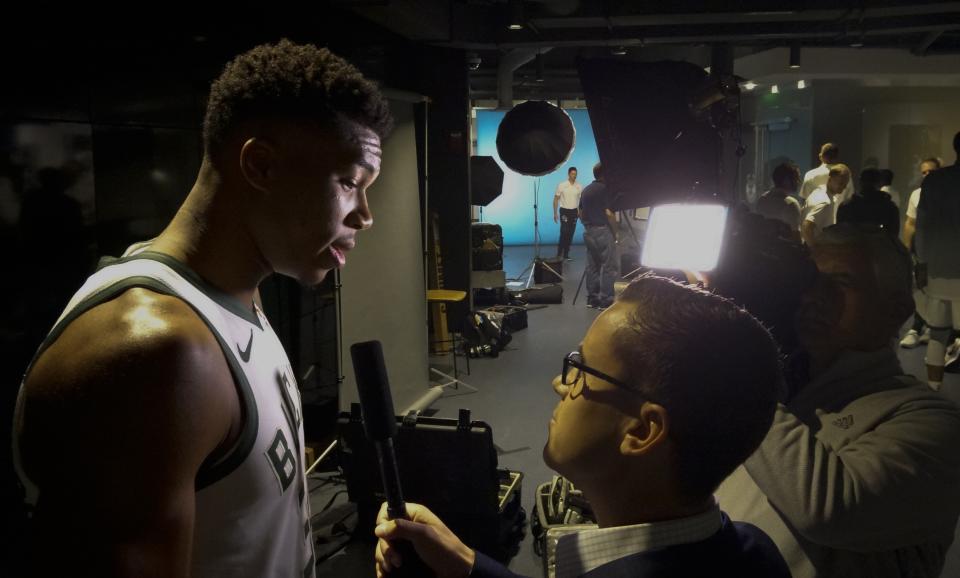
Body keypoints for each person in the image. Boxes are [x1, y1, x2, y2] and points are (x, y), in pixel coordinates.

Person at [12, 39, 392, 578]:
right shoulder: (155, 352)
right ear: (260, 164)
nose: (365, 216)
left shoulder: (233, 293)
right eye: (351, 183)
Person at [373, 275, 791, 578]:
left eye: (581, 370)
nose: (560, 383)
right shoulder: (757, 552)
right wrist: (463, 562)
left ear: (643, 431)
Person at [716, 223, 960, 578]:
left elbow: (828, 509)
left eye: (842, 282)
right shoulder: (783, 388)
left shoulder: (932, 421)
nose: (813, 297)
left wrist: (741, 370)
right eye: (810, 281)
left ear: (897, 309)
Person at [916, 131, 960, 389]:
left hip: (939, 268)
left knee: (937, 334)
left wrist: (921, 264)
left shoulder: (935, 181)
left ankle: (934, 390)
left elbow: (922, 226)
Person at [899, 157, 941, 348]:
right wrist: (906, 250)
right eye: (924, 172)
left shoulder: (947, 192)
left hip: (943, 250)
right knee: (920, 288)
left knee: (939, 291)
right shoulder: (916, 194)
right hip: (921, 249)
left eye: (930, 171)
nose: (927, 175)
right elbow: (910, 223)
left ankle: (932, 328)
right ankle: (917, 327)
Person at [578, 162, 618, 309]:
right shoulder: (606, 189)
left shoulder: (586, 190)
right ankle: (606, 300)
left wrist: (588, 225)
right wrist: (615, 233)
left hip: (589, 231)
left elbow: (580, 213)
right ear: (605, 173)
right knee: (609, 266)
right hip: (603, 230)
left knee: (592, 266)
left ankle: (592, 299)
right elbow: (609, 213)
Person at [836, 167, 900, 237]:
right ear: (880, 183)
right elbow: (893, 236)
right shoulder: (889, 208)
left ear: (860, 181)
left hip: (853, 246)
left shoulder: (846, 206)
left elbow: (840, 235)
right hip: (878, 247)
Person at [801, 164, 850, 247]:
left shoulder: (819, 191)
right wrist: (816, 251)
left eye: (846, 183)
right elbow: (806, 227)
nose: (844, 187)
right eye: (841, 183)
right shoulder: (824, 202)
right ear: (830, 180)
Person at [755, 162, 802, 235]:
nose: (799, 182)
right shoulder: (791, 204)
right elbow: (796, 239)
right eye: (796, 178)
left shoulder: (762, 199)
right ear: (787, 180)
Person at [553, 166, 582, 260]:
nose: (574, 175)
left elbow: (580, 201)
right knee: (564, 231)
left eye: (576, 174)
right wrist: (555, 213)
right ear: (569, 174)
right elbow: (556, 199)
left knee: (571, 233)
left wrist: (580, 212)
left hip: (574, 212)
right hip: (564, 211)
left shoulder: (579, 186)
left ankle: (566, 254)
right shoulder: (562, 185)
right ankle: (559, 253)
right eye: (573, 174)